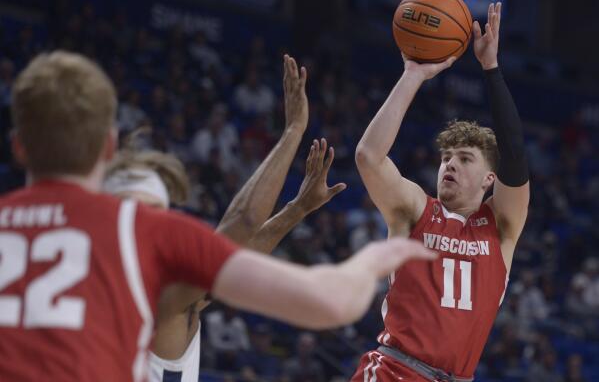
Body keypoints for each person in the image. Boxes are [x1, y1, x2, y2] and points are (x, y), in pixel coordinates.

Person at [0, 51, 435, 382]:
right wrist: (375, 258)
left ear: (18, 146)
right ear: (107, 148)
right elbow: (245, 241)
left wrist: (295, 210)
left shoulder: (106, 261)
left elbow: (226, 261)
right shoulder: (137, 241)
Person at [104, 56, 350, 380]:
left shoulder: (142, 292)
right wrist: (292, 131)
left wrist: (297, 209)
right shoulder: (163, 298)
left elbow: (236, 262)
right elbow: (243, 222)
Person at [352, 3, 529, 381]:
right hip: (395, 371)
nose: (449, 164)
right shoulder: (416, 208)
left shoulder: (501, 227)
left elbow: (515, 154)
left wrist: (491, 70)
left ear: (490, 179)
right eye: (446, 157)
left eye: (465, 159)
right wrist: (413, 74)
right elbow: (368, 157)